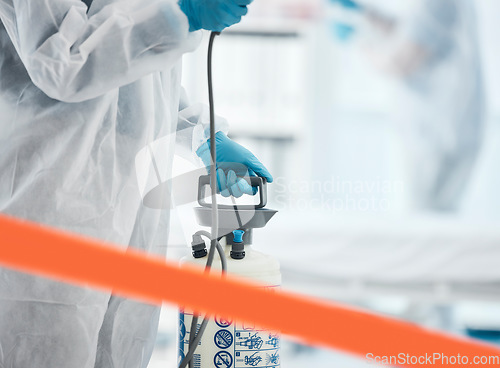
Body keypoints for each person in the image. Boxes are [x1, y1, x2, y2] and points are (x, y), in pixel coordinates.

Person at [0, 0, 272, 367]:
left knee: (120, 347)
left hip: (128, 213)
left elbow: (138, 80)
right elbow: (61, 61)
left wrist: (200, 137)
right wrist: (180, 14)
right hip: (47, 205)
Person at [330, 0, 484, 212]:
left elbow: (399, 62)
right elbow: (411, 30)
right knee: (434, 215)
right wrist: (365, 13)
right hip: (446, 130)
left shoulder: (436, 3)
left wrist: (357, 39)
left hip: (438, 134)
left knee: (427, 219)